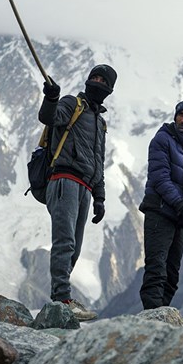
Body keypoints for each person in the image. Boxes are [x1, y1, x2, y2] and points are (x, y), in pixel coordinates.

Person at [38, 64, 117, 321]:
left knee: (75, 247)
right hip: (64, 179)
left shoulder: (100, 123)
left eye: (103, 80)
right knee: (65, 241)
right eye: (94, 77)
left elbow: (99, 161)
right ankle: (61, 298)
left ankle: (61, 298)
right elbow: (49, 118)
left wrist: (100, 196)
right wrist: (52, 98)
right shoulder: (72, 104)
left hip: (84, 187)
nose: (97, 82)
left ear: (110, 89)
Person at [138, 100, 183, 310]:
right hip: (159, 212)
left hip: (180, 218)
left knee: (171, 275)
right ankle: (152, 320)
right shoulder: (161, 140)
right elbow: (160, 179)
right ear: (175, 116)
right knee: (156, 269)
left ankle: (163, 319)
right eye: (181, 115)